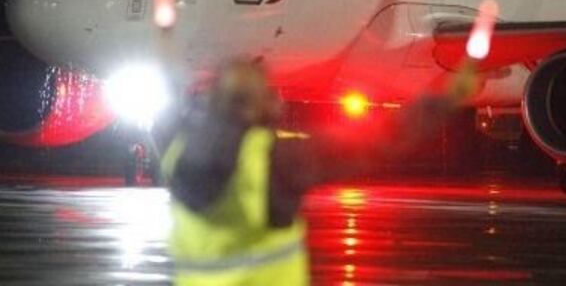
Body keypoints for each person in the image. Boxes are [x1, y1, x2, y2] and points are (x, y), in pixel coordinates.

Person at [161, 59, 478, 286]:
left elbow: (168, 116)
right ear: (267, 105)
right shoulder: (281, 159)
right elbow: (381, 140)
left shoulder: (174, 150)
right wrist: (448, 99)